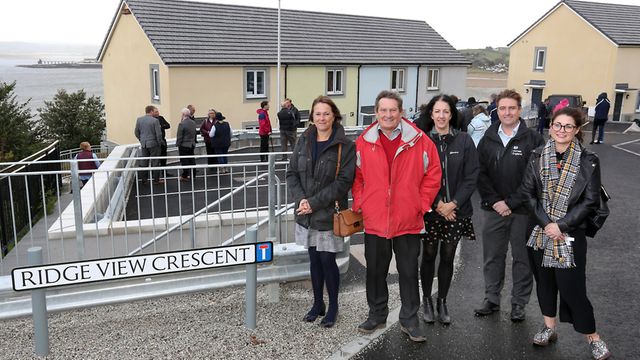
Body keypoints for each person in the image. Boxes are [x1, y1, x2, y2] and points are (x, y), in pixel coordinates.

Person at [521, 107, 611, 360]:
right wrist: (546, 223)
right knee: (545, 284)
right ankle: (549, 327)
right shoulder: (537, 155)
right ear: (550, 127)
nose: (562, 130)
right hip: (539, 232)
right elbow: (527, 194)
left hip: (570, 233)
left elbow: (591, 200)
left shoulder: (588, 160)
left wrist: (561, 225)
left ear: (577, 130)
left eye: (568, 126)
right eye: (558, 125)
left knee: (572, 288)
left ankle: (593, 338)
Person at [352, 90, 442, 343]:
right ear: (376, 113)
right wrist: (362, 202)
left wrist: (420, 204)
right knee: (375, 272)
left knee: (408, 272)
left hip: (408, 220)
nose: (388, 115)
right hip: (375, 219)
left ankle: (410, 320)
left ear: (401, 112)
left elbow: (433, 175)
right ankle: (377, 314)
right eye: (383, 110)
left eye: (393, 110)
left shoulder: (420, 140)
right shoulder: (364, 141)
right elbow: (356, 178)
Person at [286, 95, 356, 329]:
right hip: (306, 212)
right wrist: (302, 201)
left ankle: (333, 306)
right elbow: (292, 173)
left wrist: (313, 203)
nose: (322, 117)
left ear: (334, 115)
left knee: (328, 260)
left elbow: (343, 182)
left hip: (328, 213)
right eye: (318, 114)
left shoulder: (345, 145)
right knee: (314, 259)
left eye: (326, 113)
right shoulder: (303, 140)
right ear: (312, 117)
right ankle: (318, 304)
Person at [474, 89, 544, 321]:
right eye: (502, 108)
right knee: (493, 256)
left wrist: (511, 202)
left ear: (519, 110)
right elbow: (480, 174)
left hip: (523, 210)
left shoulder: (533, 139)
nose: (507, 112)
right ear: (497, 110)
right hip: (493, 209)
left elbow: (534, 177)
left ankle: (518, 303)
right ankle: (492, 298)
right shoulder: (487, 138)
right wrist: (495, 202)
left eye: (511, 108)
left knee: (522, 258)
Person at [415, 95, 479, 325]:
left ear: (452, 114)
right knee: (429, 254)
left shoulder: (464, 140)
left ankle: (442, 300)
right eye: (437, 111)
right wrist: (438, 205)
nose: (441, 116)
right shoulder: (422, 141)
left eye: (446, 111)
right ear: (430, 114)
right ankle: (427, 300)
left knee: (448, 256)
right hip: (431, 210)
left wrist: (453, 204)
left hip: (457, 211)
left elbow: (472, 176)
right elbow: (417, 177)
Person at [134, 105, 164, 184]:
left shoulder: (139, 120)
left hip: (144, 144)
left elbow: (136, 132)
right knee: (155, 162)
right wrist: (159, 143)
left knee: (144, 162)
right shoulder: (155, 121)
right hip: (154, 144)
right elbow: (158, 134)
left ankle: (144, 180)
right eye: (154, 111)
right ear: (151, 111)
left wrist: (141, 140)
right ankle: (156, 180)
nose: (155, 112)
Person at [176, 107, 198, 181]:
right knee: (192, 159)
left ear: (183, 114)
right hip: (192, 144)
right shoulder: (193, 123)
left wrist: (178, 144)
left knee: (184, 160)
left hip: (184, 145)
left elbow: (179, 136)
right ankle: (193, 174)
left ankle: (185, 175)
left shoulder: (182, 124)